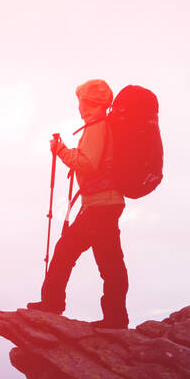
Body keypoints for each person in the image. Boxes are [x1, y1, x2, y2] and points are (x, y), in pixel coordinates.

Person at [27, 78, 129, 329]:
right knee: (108, 261)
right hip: (104, 203)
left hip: (100, 205)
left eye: (80, 101)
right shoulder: (103, 126)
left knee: (71, 254)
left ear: (87, 102)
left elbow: (88, 165)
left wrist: (60, 150)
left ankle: (54, 304)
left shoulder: (97, 126)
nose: (79, 106)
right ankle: (115, 317)